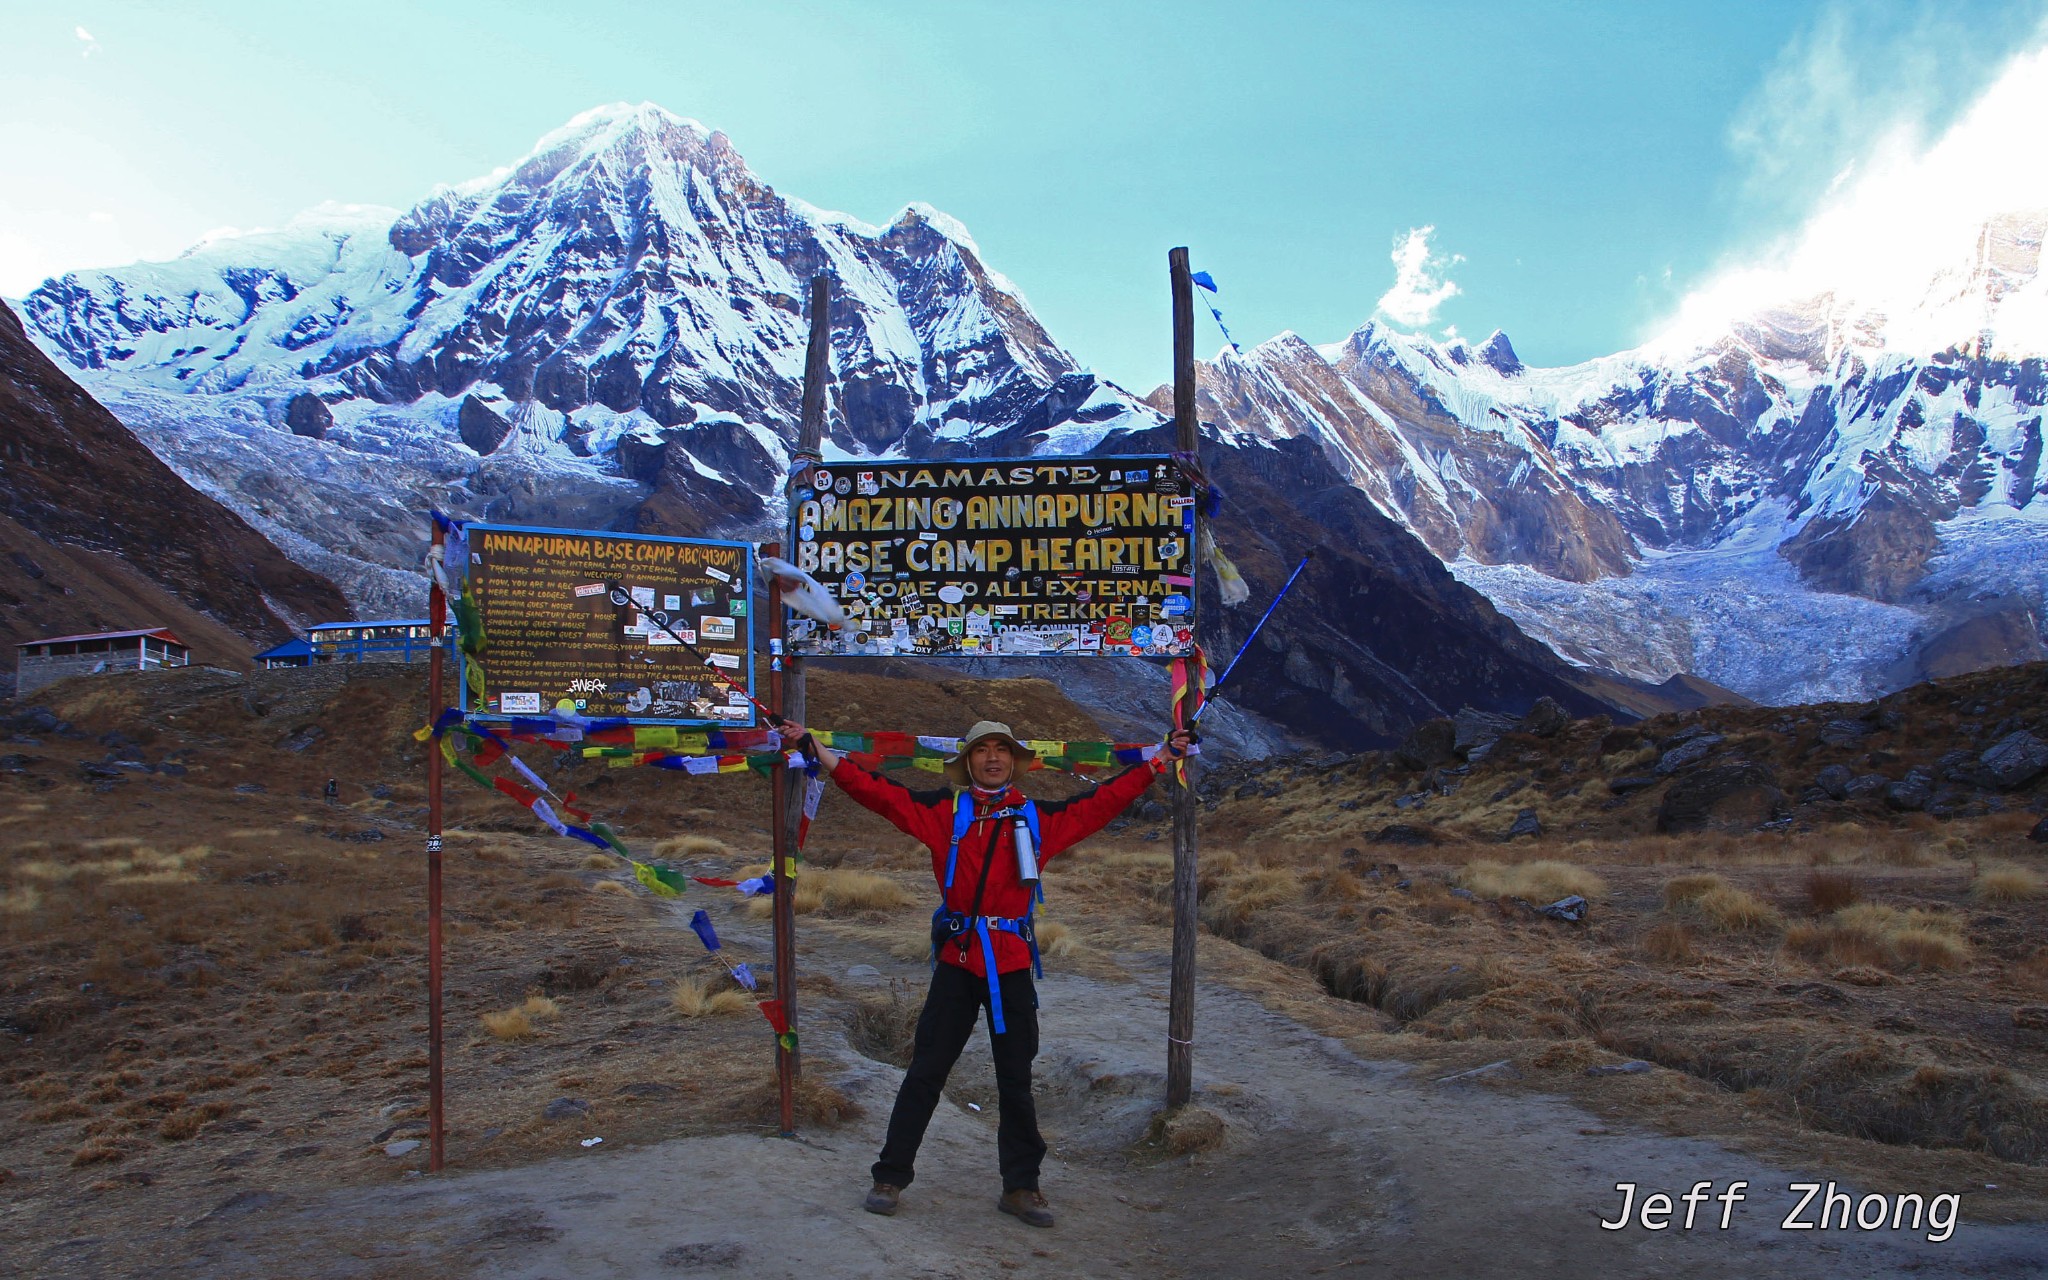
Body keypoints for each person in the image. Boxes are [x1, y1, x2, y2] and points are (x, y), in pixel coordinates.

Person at [775, 715, 1193, 1229]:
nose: (992, 758)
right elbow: (876, 791)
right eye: (981, 750)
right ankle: (890, 1176)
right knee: (926, 1071)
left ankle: (1022, 1188)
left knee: (1015, 1080)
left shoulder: (1039, 819)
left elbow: (1104, 801)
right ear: (967, 761)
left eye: (1001, 750)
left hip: (1012, 966)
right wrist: (816, 747)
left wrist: (1159, 761)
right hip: (957, 963)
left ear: (1013, 761)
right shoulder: (942, 813)